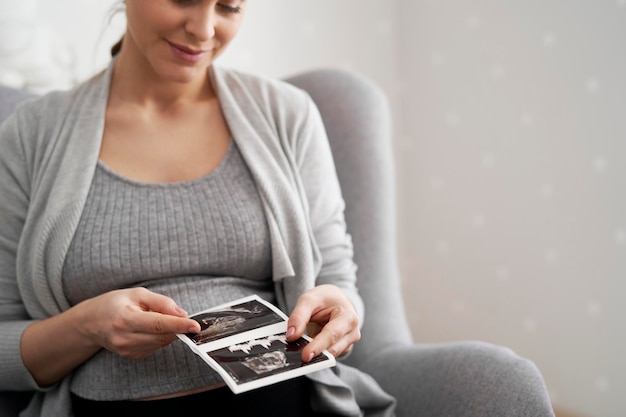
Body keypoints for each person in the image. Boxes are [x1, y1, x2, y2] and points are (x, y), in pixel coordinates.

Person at [0, 1, 393, 416]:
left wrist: (340, 310)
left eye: (229, 6)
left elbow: (335, 280)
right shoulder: (30, 137)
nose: (204, 30)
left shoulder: (288, 115)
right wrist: (87, 327)